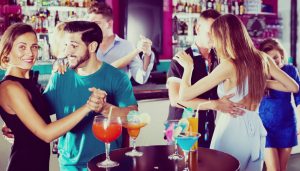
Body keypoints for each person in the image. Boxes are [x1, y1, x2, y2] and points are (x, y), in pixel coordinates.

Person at [174, 14, 299, 171]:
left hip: (232, 128)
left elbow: (184, 95)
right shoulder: (262, 58)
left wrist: (188, 68)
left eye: (215, 37)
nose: (213, 43)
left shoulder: (229, 65)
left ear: (223, 37)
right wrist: (259, 82)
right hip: (255, 128)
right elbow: (293, 87)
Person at [0, 23, 104, 171]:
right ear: (7, 52)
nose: (30, 53)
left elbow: (42, 109)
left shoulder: (26, 83)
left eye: (34, 46)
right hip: (24, 165)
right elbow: (47, 134)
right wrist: (88, 107)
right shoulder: (11, 87)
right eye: (22, 47)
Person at [44, 21, 138, 171]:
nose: (67, 51)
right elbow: (40, 111)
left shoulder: (117, 77)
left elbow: (133, 118)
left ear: (92, 47)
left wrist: (104, 108)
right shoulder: (59, 76)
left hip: (107, 163)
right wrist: (14, 122)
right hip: (69, 165)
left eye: (74, 46)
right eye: (66, 45)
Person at [167, 9, 244, 148]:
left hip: (212, 127)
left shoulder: (222, 59)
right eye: (210, 33)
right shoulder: (181, 59)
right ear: (197, 28)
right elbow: (176, 100)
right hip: (182, 127)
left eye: (218, 34)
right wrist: (215, 104)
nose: (215, 38)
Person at [87, 1, 155, 84]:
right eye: (90, 24)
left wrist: (147, 55)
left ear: (109, 24)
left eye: (96, 23)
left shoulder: (127, 46)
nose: (91, 28)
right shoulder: (87, 46)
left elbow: (141, 79)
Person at [258, 38, 300, 171]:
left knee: (282, 168)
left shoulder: (291, 71)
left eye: (275, 57)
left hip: (287, 125)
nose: (273, 62)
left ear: (282, 55)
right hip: (265, 127)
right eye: (269, 59)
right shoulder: (260, 74)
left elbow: (298, 98)